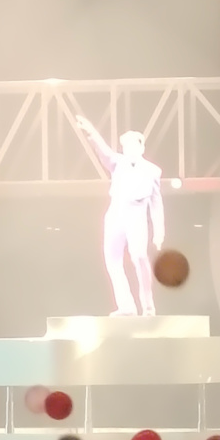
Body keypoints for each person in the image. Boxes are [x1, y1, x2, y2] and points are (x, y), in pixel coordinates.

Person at [72, 116, 165, 317]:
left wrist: (159, 232)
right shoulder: (117, 162)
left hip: (136, 215)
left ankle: (148, 305)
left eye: (133, 145)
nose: (128, 148)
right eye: (125, 145)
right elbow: (103, 150)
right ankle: (126, 306)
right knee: (112, 260)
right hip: (116, 212)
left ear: (141, 147)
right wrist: (90, 131)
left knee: (139, 257)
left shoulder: (152, 171)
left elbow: (156, 204)